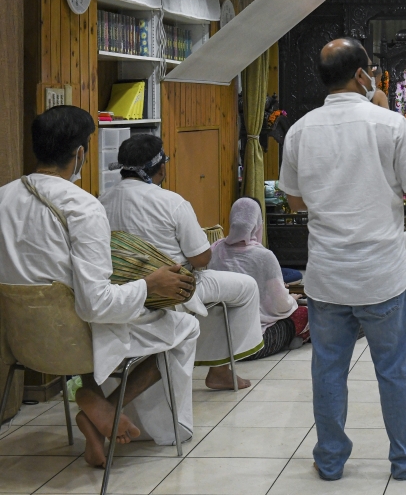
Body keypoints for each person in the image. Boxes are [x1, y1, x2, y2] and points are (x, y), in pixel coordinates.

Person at [0, 106, 199, 467]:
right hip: (79, 340)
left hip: (23, 345)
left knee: (76, 315)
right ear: (80, 153)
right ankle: (107, 407)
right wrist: (148, 285)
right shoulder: (82, 207)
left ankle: (89, 393)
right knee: (185, 326)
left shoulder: (3, 198)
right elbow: (97, 304)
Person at [280, 37, 406, 481]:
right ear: (363, 75)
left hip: (327, 275)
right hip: (382, 273)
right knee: (396, 369)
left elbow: (293, 203)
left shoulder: (301, 129)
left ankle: (330, 460)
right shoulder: (389, 124)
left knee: (328, 370)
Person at [100, 135, 264, 390]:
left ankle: (216, 366)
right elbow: (201, 259)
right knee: (247, 287)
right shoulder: (171, 202)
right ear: (161, 167)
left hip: (122, 290)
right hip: (174, 287)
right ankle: (219, 370)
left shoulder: (102, 201)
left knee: (216, 302)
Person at [210, 198, 309, 360]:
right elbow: (281, 305)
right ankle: (297, 337)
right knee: (305, 314)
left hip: (215, 345)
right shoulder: (264, 257)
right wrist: (291, 300)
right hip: (253, 345)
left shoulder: (215, 249)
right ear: (257, 223)